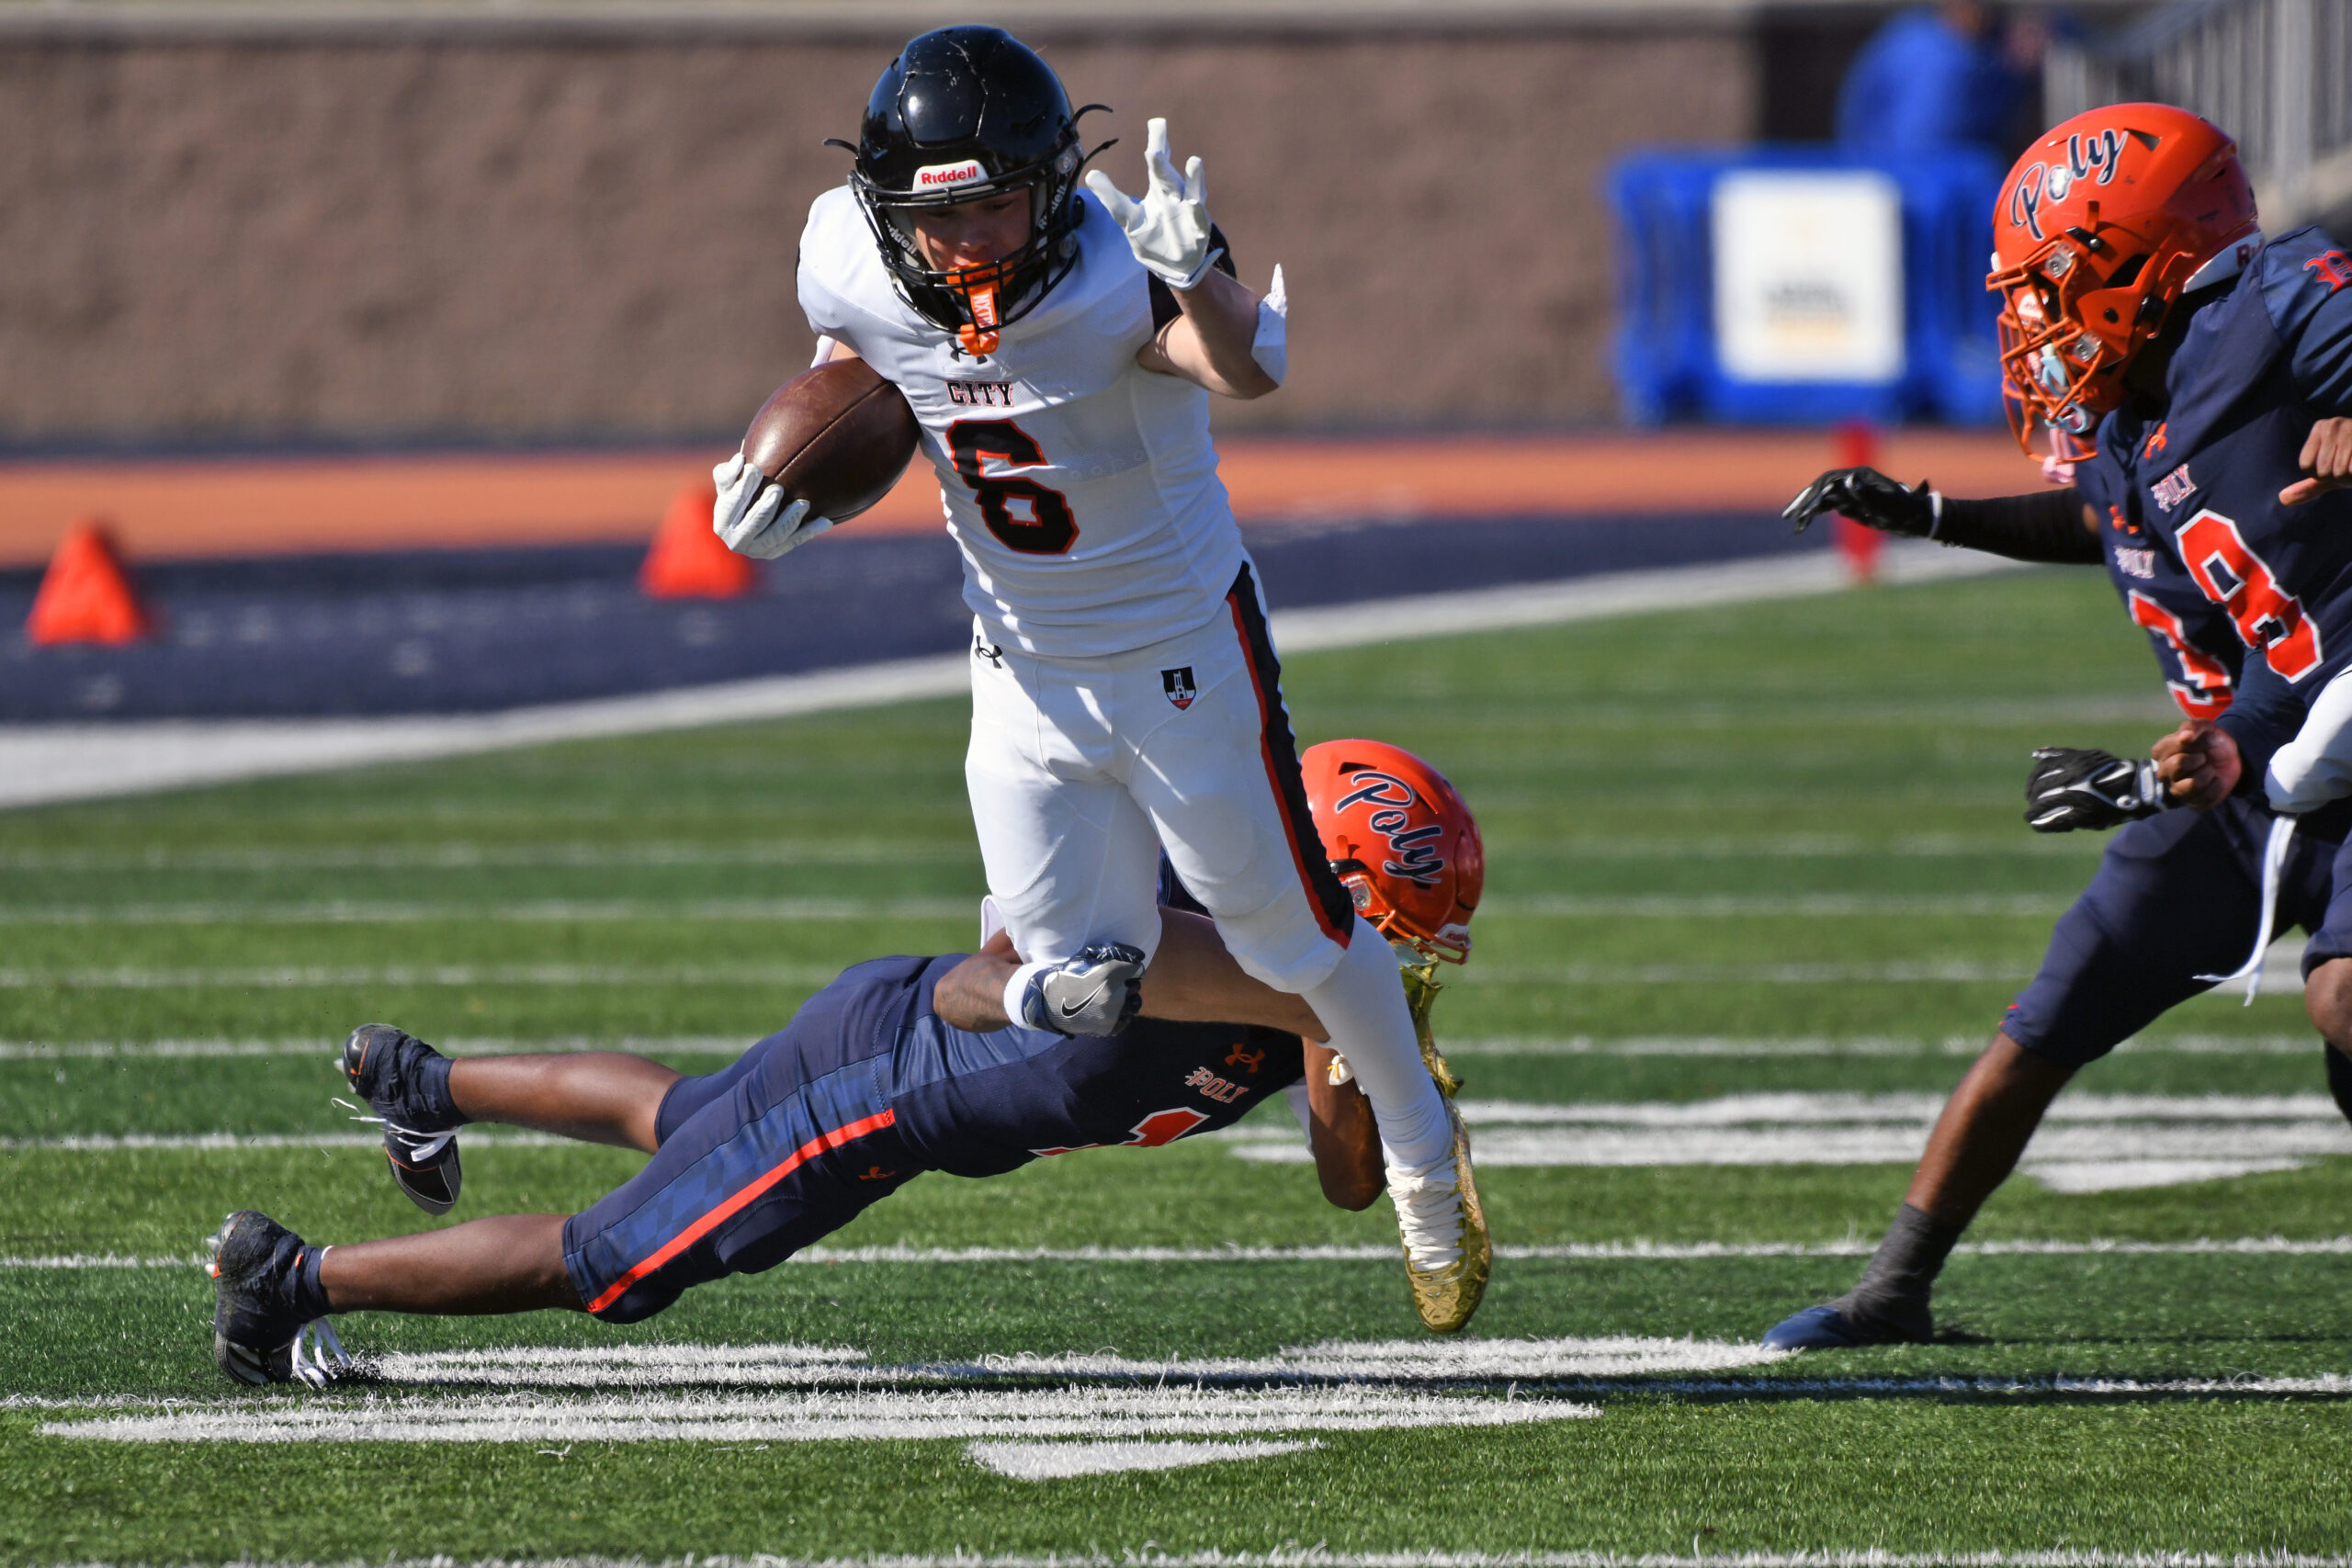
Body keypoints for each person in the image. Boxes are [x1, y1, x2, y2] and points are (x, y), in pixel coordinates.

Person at [703, 27, 1482, 1331]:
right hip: (1017, 664)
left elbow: (1249, 368)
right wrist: (772, 486)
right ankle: (1353, 1013)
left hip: (1181, 653)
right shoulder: (843, 248)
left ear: (1050, 185)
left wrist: (1203, 278)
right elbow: (853, 380)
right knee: (1065, 963)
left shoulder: (1116, 262)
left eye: (997, 206)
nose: (967, 245)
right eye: (934, 218)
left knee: (1288, 931)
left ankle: (1423, 1175)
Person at [206, 739, 1487, 1386]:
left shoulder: (1310, 1007)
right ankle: (287, 1285)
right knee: (615, 1265)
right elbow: (987, 972)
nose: (1402, 967)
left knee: (681, 1115)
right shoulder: (1185, 910)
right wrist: (1056, 993)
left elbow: (1346, 1188)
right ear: (1329, 882)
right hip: (878, 1080)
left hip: (878, 1076)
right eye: (1393, 933)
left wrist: (1352, 1047)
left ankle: (423, 1087)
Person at [1767, 103, 2352, 1349]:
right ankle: (1894, 1290)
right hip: (2232, 766)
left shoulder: (2272, 304)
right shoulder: (2136, 411)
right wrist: (1929, 512)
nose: (2035, 319)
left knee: (2345, 998)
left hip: (2327, 720)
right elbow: (2103, 519)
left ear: (2148, 260)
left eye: (2057, 283)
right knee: (2054, 1008)